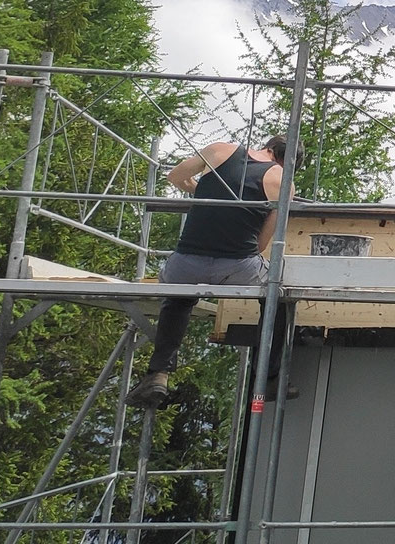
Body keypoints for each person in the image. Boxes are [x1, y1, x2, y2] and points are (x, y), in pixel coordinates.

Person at [127, 135, 296, 408]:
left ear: (269, 146)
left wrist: (203, 193)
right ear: (288, 161)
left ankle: (158, 374)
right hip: (237, 266)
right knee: (279, 295)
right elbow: (261, 244)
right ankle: (269, 377)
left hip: (185, 263)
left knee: (178, 297)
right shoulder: (283, 182)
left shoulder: (219, 150)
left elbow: (175, 176)